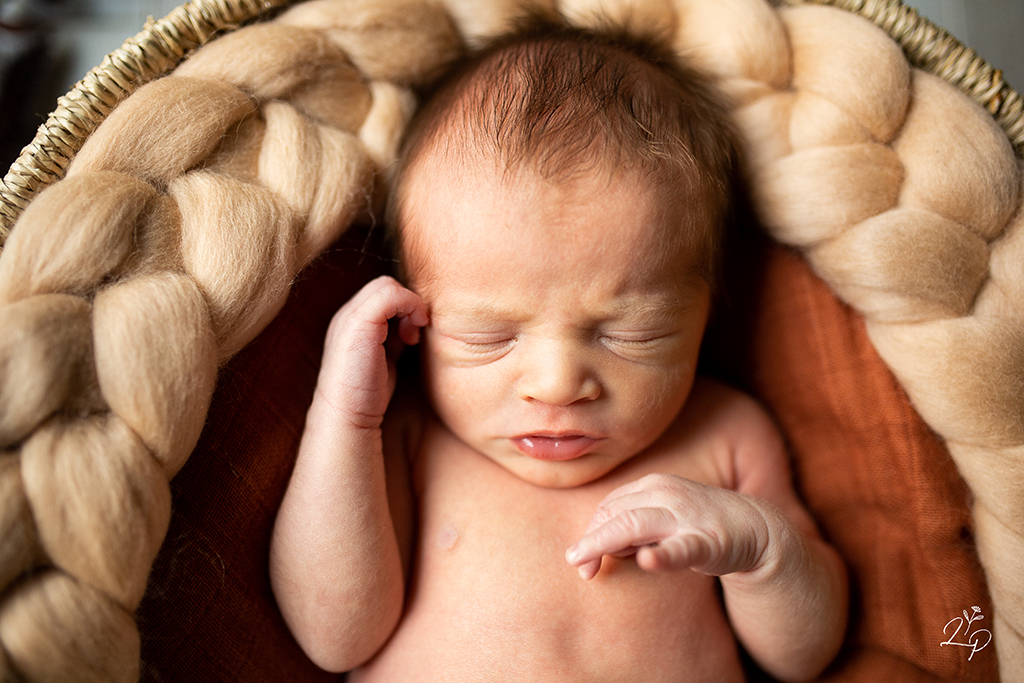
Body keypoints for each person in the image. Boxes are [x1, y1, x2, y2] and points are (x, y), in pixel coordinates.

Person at [269, 18, 848, 682]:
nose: (555, 384)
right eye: (486, 337)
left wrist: (763, 551)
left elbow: (806, 655)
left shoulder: (725, 436)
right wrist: (343, 417)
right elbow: (333, 636)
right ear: (415, 316)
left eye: (629, 333)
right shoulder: (407, 439)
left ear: (706, 311)